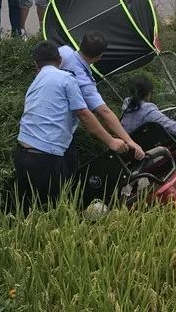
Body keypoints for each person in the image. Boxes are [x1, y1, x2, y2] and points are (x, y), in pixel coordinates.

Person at [15, 40, 130, 211]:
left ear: (35, 65)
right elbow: (84, 114)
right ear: (59, 60)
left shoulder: (35, 83)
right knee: (57, 210)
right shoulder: (66, 79)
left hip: (21, 155)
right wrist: (111, 141)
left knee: (28, 210)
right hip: (46, 157)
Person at [57, 31, 146, 170]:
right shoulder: (85, 83)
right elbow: (104, 112)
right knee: (69, 172)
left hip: (39, 116)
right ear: (99, 57)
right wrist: (129, 141)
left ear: (80, 44)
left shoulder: (64, 52)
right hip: (60, 132)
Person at [120, 75, 176, 139]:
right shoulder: (147, 110)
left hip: (133, 145)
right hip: (148, 148)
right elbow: (168, 125)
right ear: (148, 93)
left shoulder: (127, 107)